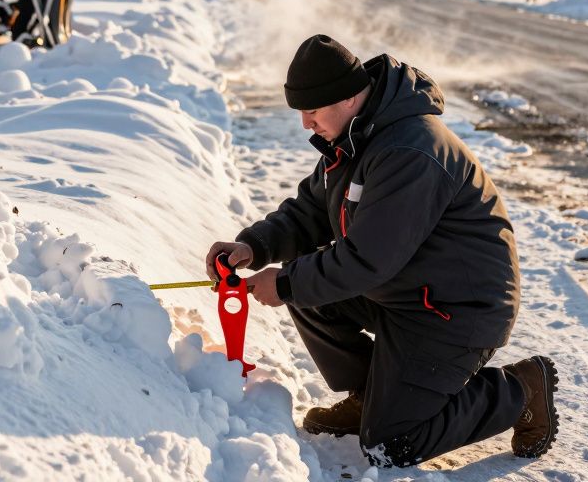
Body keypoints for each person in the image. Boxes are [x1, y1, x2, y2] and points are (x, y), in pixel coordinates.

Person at [203, 35, 558, 469]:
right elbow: (311, 210)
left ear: (349, 96)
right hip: (406, 292)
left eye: (312, 110)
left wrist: (285, 282)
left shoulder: (410, 151)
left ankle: (521, 390)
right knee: (306, 283)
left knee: (393, 443)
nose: (305, 123)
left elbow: (368, 259)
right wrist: (253, 246)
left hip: (455, 308)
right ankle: (372, 395)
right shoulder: (354, 136)